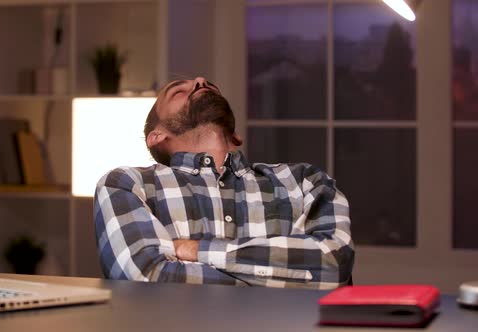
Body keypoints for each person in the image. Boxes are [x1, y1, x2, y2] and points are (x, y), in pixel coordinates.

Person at [94, 77, 354, 289]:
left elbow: (333, 264)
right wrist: (280, 281)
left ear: (236, 136)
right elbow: (147, 279)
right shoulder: (128, 184)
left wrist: (196, 251)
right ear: (156, 136)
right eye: (178, 92)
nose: (200, 80)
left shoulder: (302, 180)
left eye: (208, 85)